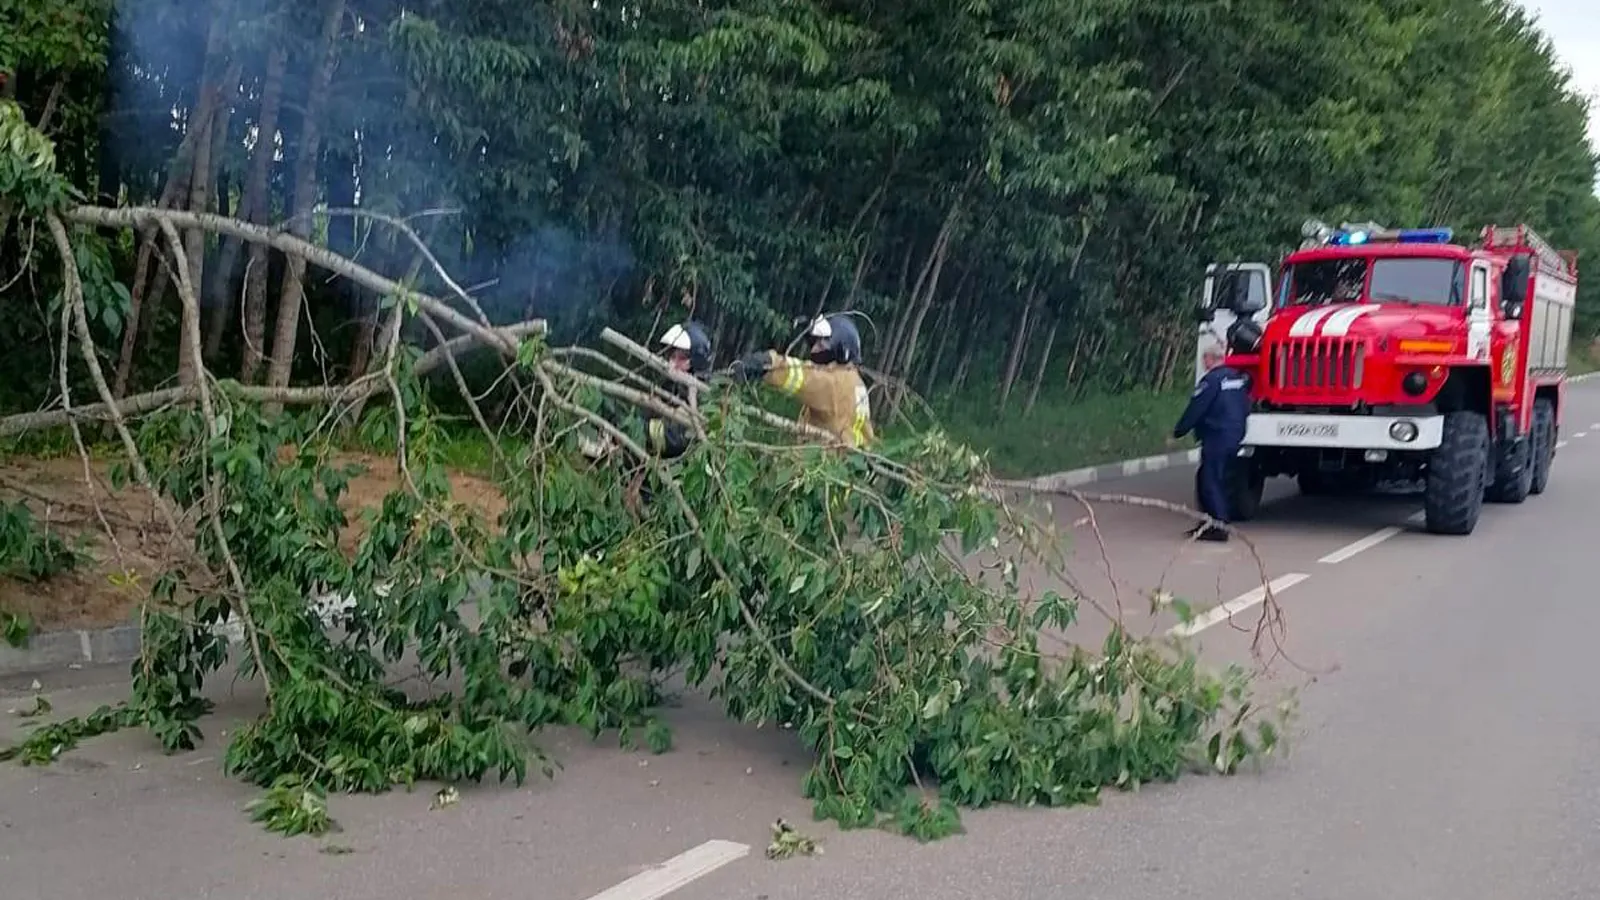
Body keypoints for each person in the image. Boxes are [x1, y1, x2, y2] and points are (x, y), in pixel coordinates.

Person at [729, 314, 874, 448]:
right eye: (814, 344)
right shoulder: (854, 382)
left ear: (841, 352)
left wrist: (768, 363)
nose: (814, 350)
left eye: (821, 345)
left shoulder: (835, 384)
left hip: (824, 461)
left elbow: (804, 376)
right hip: (847, 462)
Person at [578, 320, 713, 461]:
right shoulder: (673, 387)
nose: (672, 363)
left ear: (695, 362)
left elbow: (672, 439)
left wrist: (628, 426)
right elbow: (647, 412)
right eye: (672, 356)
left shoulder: (703, 402)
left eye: (681, 358)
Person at [1173, 357, 1251, 542]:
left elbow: (1196, 408)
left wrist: (1179, 431)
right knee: (1211, 478)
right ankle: (1207, 522)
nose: (1203, 361)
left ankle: (1219, 526)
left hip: (1217, 436)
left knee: (1210, 480)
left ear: (1209, 360)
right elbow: (1246, 406)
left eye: (1204, 358)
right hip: (1235, 434)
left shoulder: (1211, 381)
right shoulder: (1237, 378)